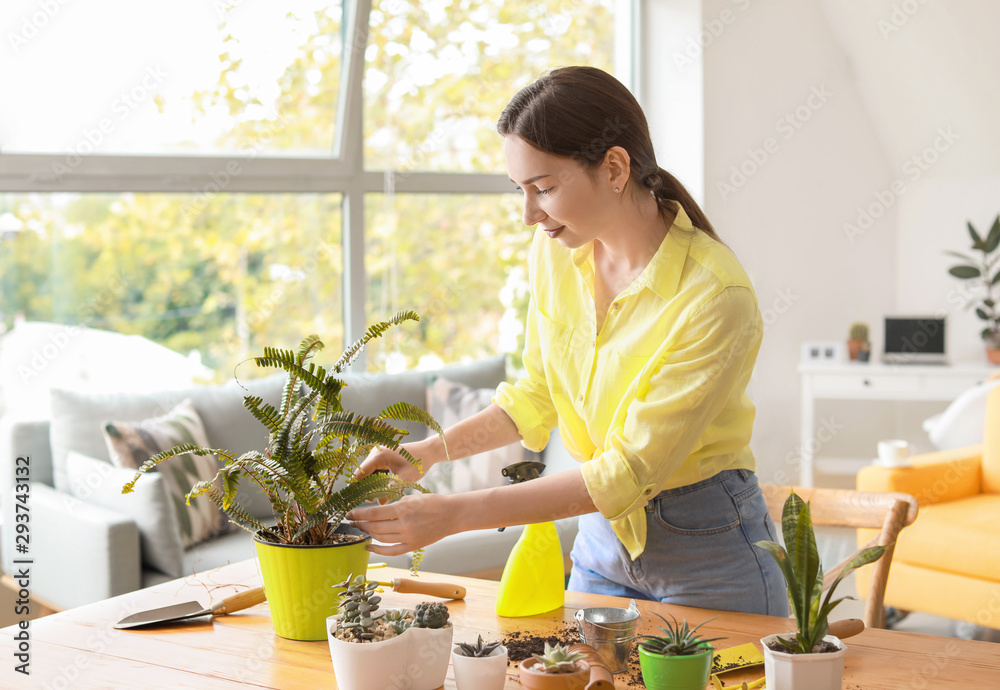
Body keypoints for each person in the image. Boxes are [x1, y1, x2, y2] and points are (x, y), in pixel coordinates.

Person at [348, 65, 789, 616]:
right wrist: (427, 453)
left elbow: (624, 474)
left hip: (710, 552)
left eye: (545, 188)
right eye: (520, 190)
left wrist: (454, 514)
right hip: (601, 547)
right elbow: (536, 393)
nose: (529, 214)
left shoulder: (715, 295)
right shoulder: (556, 252)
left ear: (614, 167)